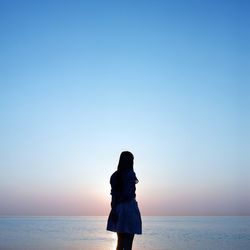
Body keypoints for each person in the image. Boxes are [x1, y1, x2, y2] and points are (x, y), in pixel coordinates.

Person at [107, 151, 142, 250]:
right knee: (128, 244)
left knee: (120, 242)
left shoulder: (114, 176)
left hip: (118, 209)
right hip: (129, 208)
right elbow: (129, 194)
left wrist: (114, 210)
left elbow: (113, 196)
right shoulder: (130, 174)